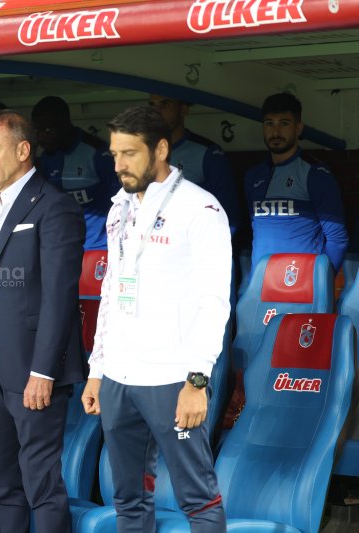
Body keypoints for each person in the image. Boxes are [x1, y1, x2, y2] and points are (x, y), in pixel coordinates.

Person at [82, 106, 231, 532]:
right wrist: (97, 370)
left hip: (172, 378)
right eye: (115, 154)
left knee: (198, 499)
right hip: (119, 376)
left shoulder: (201, 208)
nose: (119, 165)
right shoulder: (119, 207)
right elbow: (111, 291)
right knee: (128, 499)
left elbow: (214, 302)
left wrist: (197, 381)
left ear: (161, 149)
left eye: (129, 153)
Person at [0, 109, 86, 533]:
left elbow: (60, 298)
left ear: (23, 150)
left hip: (34, 371)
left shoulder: (56, 207)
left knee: (41, 482)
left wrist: (44, 371)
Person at [244, 92, 348, 272]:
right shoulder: (253, 176)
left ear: (298, 128)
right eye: (269, 123)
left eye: (284, 123)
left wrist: (321, 282)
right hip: (261, 284)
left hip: (299, 283)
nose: (275, 132)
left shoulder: (315, 174)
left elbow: (337, 239)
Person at [31, 95, 120, 251]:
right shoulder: (47, 157)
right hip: (61, 247)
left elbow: (122, 201)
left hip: (98, 248)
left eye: (47, 130)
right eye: (37, 131)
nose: (41, 138)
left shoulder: (98, 153)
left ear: (65, 123)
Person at [148, 94, 239, 235]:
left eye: (165, 104)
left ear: (183, 110)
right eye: (152, 105)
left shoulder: (208, 153)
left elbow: (228, 218)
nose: (156, 111)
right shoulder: (143, 152)